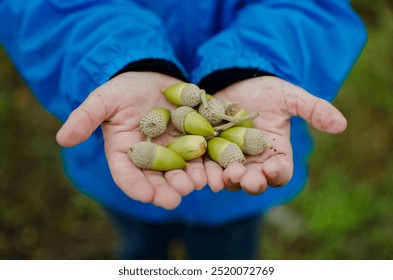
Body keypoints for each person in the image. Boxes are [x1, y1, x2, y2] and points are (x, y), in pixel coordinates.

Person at [0, 0, 367, 259]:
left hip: (232, 198)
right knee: (141, 250)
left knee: (227, 256)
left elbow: (314, 7)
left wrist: (247, 67)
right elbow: (44, 9)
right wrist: (127, 62)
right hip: (118, 174)